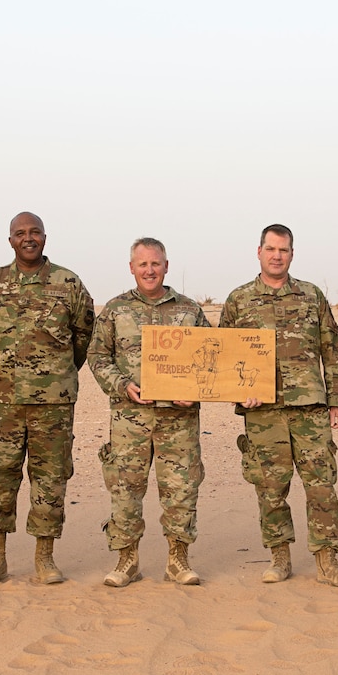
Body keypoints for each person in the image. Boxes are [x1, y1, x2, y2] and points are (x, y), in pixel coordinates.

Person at [221, 225, 338, 587]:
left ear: (292, 254)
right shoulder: (238, 300)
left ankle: (328, 562)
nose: (277, 255)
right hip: (262, 412)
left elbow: (332, 352)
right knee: (270, 487)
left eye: (283, 250)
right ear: (259, 251)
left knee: (321, 485)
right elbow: (223, 358)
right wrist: (239, 393)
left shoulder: (312, 296)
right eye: (270, 249)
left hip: (309, 409)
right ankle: (279, 557)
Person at [0, 212, 95, 586]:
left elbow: (83, 335)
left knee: (50, 481)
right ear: (10, 240)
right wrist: (6, 369)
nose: (28, 238)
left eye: (34, 232)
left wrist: (58, 373)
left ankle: (45, 557)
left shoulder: (67, 282)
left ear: (45, 237)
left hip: (53, 405)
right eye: (20, 233)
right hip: (3, 403)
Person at [89, 238, 211, 588]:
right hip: (131, 419)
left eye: (155, 263)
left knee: (182, 490)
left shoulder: (190, 311)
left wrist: (195, 392)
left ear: (166, 266)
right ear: (131, 268)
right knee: (125, 490)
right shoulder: (115, 310)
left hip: (179, 420)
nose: (149, 270)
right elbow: (98, 357)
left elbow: (210, 360)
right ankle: (127, 560)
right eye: (142, 264)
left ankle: (178, 560)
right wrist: (122, 384)